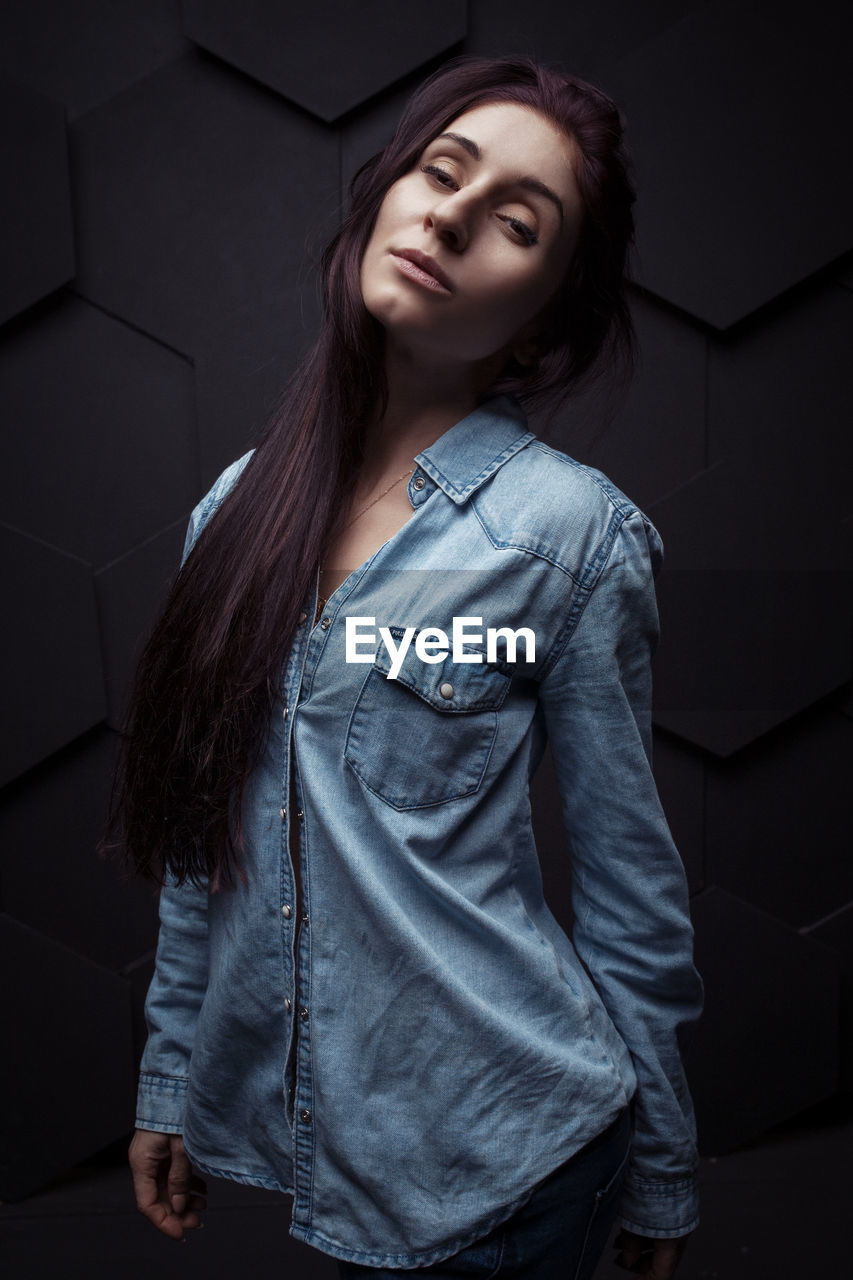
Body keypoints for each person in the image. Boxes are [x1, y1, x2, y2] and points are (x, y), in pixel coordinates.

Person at [108, 54, 703, 1280]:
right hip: (341, 1156)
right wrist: (170, 1076)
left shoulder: (571, 539)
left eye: (516, 224)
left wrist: (663, 1168)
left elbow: (629, 881)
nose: (450, 218)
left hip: (514, 1157)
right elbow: (195, 841)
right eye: (441, 174)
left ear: (543, 315)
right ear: (386, 193)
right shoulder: (236, 511)